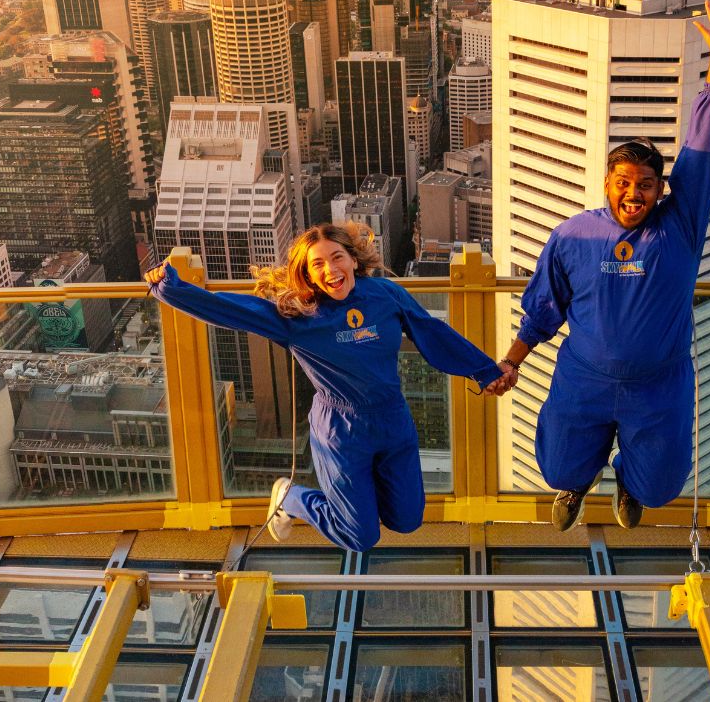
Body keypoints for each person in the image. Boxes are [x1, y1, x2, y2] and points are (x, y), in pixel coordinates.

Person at [503, 0, 710, 530]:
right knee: (557, 467)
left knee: (659, 488)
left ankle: (630, 480)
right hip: (583, 377)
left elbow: (702, 149)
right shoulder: (573, 235)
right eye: (624, 183)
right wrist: (512, 361)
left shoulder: (679, 227)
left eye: (646, 185)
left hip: (659, 383)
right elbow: (543, 310)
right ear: (607, 184)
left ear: (661, 189)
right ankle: (580, 481)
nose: (634, 194)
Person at [147, 222, 516, 551]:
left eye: (337, 257)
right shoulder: (297, 316)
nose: (331, 270)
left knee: (407, 520)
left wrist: (486, 372)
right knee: (360, 537)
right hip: (342, 429)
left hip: (393, 419)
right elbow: (230, 310)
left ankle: (359, 501)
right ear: (308, 275)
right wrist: (168, 287)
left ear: (353, 259)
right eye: (318, 265)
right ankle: (291, 498)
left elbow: (432, 331)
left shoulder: (386, 294)